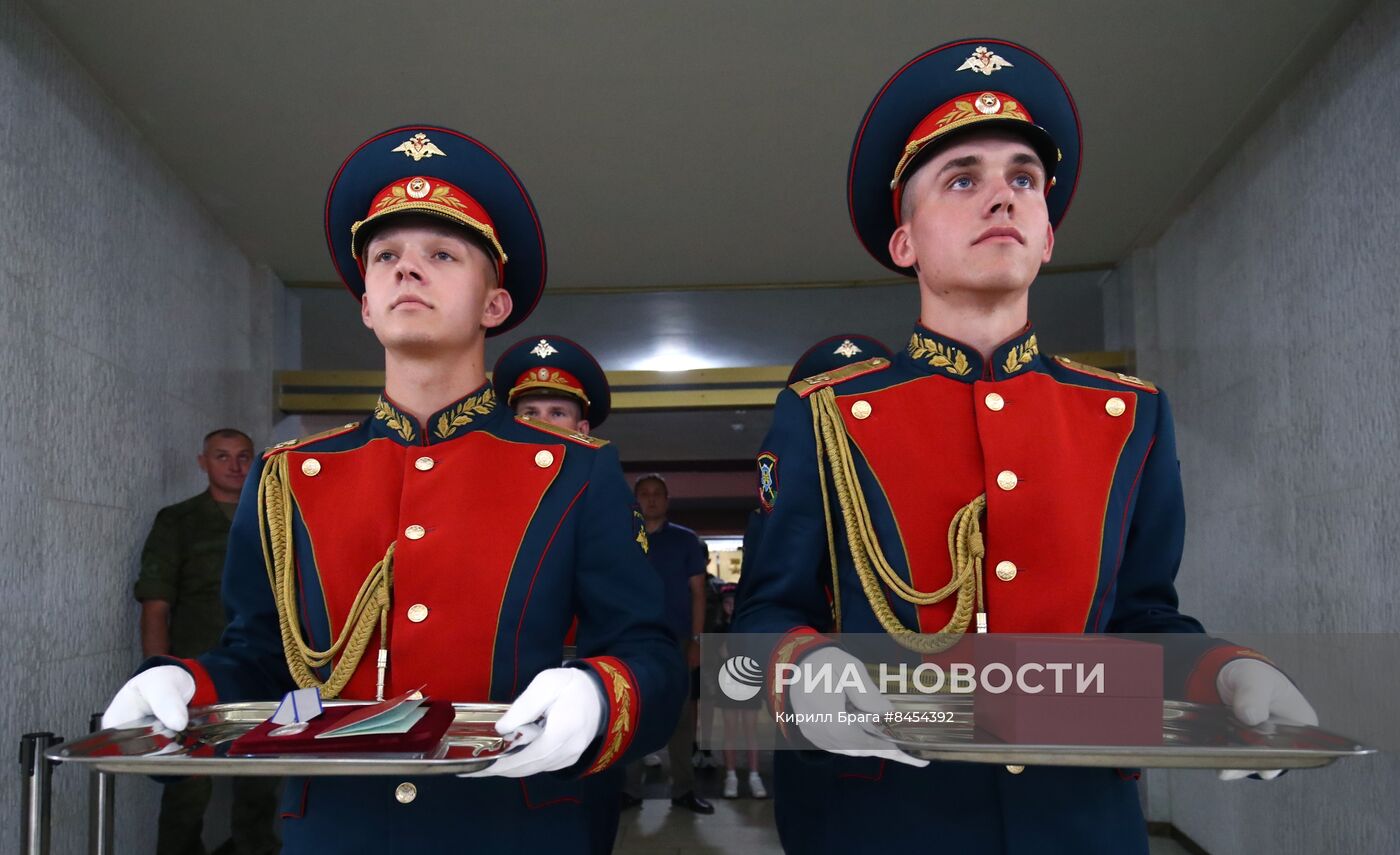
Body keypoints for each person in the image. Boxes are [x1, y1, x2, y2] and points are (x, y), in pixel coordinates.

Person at [732, 40, 1317, 854]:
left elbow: (1141, 615)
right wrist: (806, 674)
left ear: (1047, 235)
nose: (1001, 197)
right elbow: (764, 616)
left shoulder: (1127, 415)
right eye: (962, 179)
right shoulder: (825, 411)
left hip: (1078, 821)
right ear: (906, 242)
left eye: (1024, 180)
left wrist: (1224, 670)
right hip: (879, 820)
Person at [102, 125, 683, 853]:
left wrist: (599, 692)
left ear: (493, 305)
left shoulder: (574, 470)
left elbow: (652, 657)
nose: (408, 268)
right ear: (367, 305)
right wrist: (187, 684)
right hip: (336, 829)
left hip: (515, 827)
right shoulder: (286, 479)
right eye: (386, 257)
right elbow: (263, 660)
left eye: (441, 254)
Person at [134, 428, 279, 855]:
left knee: (261, 786)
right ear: (203, 462)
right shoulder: (179, 521)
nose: (235, 466)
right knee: (186, 791)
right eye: (222, 456)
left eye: (243, 456)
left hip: (261, 674)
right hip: (194, 676)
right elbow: (156, 605)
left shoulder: (275, 521)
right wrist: (157, 676)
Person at [630, 473, 713, 815]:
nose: (651, 500)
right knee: (633, 713)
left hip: (676, 640)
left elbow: (698, 594)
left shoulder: (685, 540)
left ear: (666, 500)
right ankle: (628, 789)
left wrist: (695, 641)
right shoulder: (622, 539)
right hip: (631, 640)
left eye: (657, 494)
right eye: (645, 494)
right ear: (636, 501)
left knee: (681, 718)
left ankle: (683, 789)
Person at [493, 333, 610, 434]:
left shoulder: (604, 458)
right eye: (531, 413)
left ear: (581, 430)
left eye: (557, 414)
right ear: (513, 425)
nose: (542, 422)